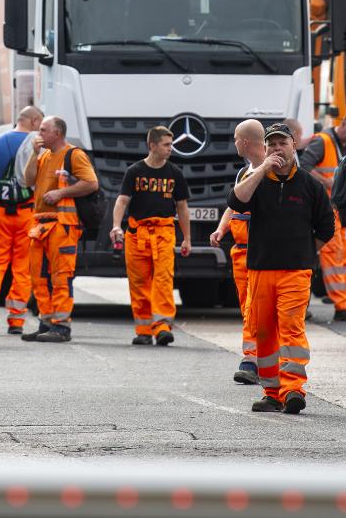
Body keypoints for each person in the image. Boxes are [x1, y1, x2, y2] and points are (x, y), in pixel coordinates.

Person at [228, 124, 337, 414]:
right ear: (264, 149)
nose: (278, 149)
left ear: (294, 145)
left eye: (283, 143)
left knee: (291, 330)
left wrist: (304, 252)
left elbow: (327, 225)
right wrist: (261, 170)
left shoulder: (309, 185)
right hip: (260, 271)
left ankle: (293, 390)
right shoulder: (256, 179)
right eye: (272, 144)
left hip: (295, 272)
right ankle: (272, 393)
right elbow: (236, 200)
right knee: (263, 333)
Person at [20, 116, 99, 343]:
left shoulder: (73, 155)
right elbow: (28, 181)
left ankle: (61, 326)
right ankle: (46, 323)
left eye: (44, 130)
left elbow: (91, 183)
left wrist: (61, 193)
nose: (39, 134)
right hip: (41, 225)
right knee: (40, 278)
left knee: (61, 277)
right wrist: (34, 154)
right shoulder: (44, 155)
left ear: (57, 133)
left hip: (63, 225)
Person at [111, 125, 192, 346]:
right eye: (166, 145)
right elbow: (122, 201)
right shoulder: (135, 172)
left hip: (164, 234)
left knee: (163, 280)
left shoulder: (174, 173)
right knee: (139, 282)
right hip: (137, 235)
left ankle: (163, 326)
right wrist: (116, 226)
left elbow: (182, 207)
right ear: (152, 145)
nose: (170, 149)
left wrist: (187, 238)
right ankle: (144, 329)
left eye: (171, 144)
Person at [0, 106, 43, 336]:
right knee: (22, 267)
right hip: (27, 213)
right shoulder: (37, 146)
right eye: (39, 124)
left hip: (0, 212)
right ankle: (16, 320)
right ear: (33, 121)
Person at [210, 119, 266, 383]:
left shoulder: (270, 171)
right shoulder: (244, 173)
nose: (233, 143)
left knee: (256, 307)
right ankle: (255, 359)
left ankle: (252, 360)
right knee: (247, 307)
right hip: (240, 252)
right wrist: (222, 229)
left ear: (244, 142)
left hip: (260, 251)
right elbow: (233, 205)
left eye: (235, 139)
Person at [303, 112, 346, 322]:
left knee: (342, 255)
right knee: (332, 253)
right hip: (321, 210)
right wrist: (327, 183)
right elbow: (304, 167)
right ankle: (342, 303)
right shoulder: (323, 141)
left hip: (338, 210)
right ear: (343, 124)